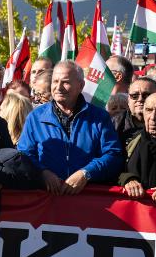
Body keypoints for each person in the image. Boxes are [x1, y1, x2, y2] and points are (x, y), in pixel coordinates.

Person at [18, 60, 123, 194]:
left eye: (65, 82)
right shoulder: (35, 117)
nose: (58, 87)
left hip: (88, 200)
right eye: (55, 81)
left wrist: (86, 173)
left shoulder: (100, 118)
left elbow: (113, 155)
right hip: (47, 201)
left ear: (81, 85)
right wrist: (42, 172)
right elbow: (24, 153)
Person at [113, 77, 156, 147]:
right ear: (128, 100)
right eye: (134, 96)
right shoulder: (114, 124)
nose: (140, 99)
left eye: (146, 95)